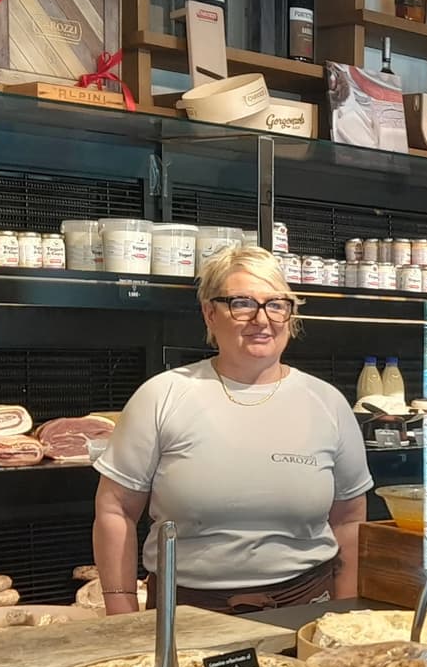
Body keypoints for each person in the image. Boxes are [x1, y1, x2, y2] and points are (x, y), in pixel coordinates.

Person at [92, 244, 371, 615]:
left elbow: (349, 519)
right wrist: (121, 610)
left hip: (305, 608)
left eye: (276, 304)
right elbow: (115, 509)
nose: (262, 319)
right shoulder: (162, 396)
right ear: (210, 313)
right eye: (242, 303)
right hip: (187, 614)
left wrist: (346, 611)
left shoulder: (327, 402)